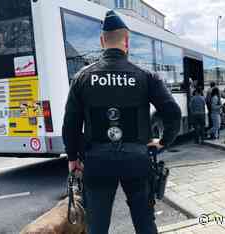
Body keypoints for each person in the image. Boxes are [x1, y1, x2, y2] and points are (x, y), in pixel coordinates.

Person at [62, 10, 181, 234]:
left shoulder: (82, 77)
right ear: (127, 42)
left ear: (101, 41)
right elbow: (172, 112)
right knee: (145, 223)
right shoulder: (145, 76)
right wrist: (164, 141)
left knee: (96, 226)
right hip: (137, 160)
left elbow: (70, 125)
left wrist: (72, 158)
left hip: (96, 163)